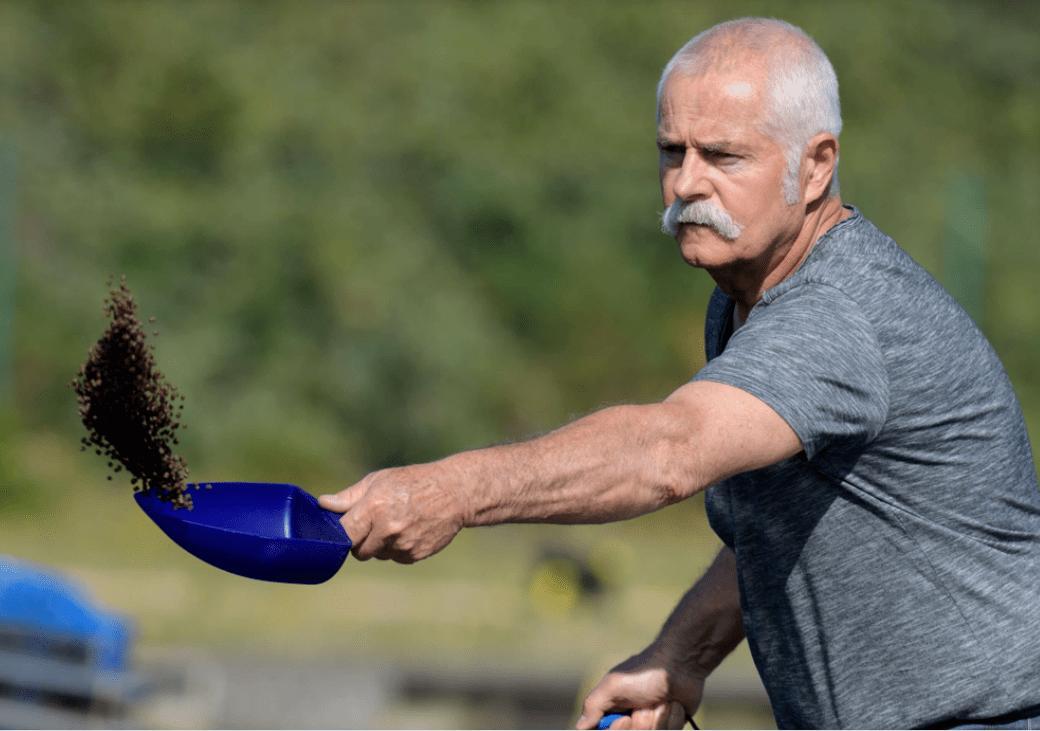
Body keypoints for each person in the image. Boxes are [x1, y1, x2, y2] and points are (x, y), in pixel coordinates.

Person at [319, 17, 1040, 729]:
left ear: (816, 164)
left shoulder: (837, 314)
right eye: (672, 151)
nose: (687, 183)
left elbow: (666, 451)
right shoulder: (741, 301)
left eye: (723, 156)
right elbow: (784, 524)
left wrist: (451, 490)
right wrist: (682, 654)